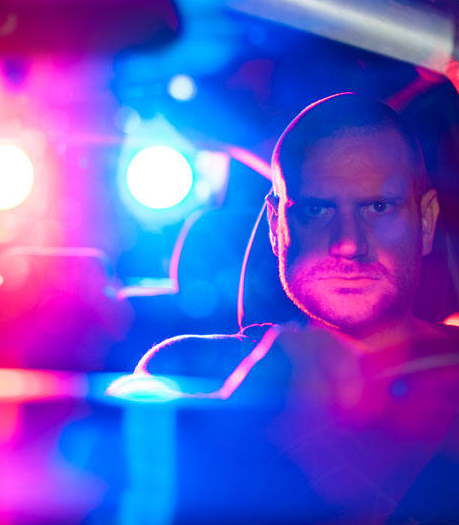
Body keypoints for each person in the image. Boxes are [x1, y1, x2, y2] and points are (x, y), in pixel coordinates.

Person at [118, 92, 459, 522]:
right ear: (277, 227)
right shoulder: (193, 368)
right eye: (316, 210)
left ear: (426, 223)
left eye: (377, 206)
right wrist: (242, 419)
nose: (349, 243)